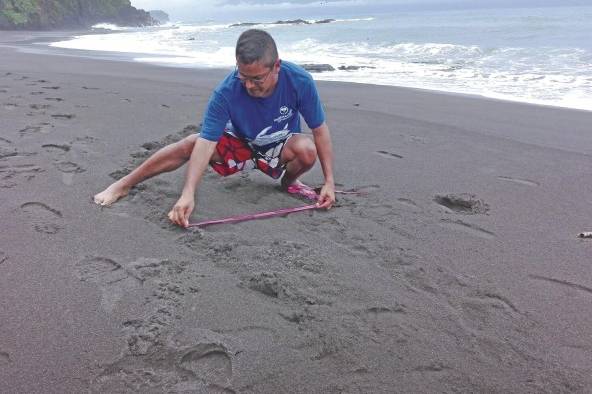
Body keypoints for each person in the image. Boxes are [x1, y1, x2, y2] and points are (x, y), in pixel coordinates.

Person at [94, 29, 335, 228]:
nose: (250, 85)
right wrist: (188, 193)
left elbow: (319, 130)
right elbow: (206, 143)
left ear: (276, 67)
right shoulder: (226, 91)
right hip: (239, 146)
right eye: (243, 76)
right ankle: (123, 184)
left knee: (306, 149)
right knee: (191, 141)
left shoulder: (299, 82)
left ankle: (289, 182)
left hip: (277, 147)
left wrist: (329, 182)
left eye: (257, 79)